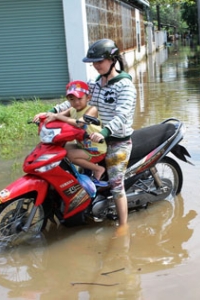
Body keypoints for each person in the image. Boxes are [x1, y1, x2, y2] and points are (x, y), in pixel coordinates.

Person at [40, 39, 137, 233]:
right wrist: (50, 112)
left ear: (112, 60)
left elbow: (122, 114)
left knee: (116, 185)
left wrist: (105, 132)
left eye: (99, 61)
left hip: (117, 142)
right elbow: (75, 101)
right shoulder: (94, 83)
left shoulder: (125, 85)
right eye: (94, 62)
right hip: (93, 139)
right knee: (64, 152)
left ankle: (123, 227)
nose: (96, 65)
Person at [37, 80, 108, 187]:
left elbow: (79, 123)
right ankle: (69, 174)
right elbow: (56, 117)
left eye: (80, 98)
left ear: (88, 98)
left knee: (70, 155)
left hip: (95, 149)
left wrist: (56, 116)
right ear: (68, 100)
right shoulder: (72, 110)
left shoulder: (92, 109)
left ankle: (98, 169)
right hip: (82, 146)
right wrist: (45, 116)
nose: (76, 102)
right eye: (72, 99)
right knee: (59, 149)